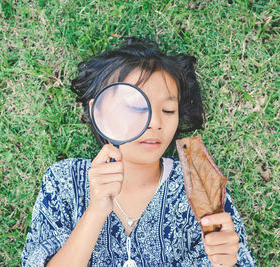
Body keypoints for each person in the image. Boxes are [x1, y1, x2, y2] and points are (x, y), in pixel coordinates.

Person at [21, 38, 256, 266]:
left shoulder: (199, 185)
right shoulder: (65, 181)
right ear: (99, 112)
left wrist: (225, 262)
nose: (154, 122)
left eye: (167, 109)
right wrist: (96, 210)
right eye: (135, 107)